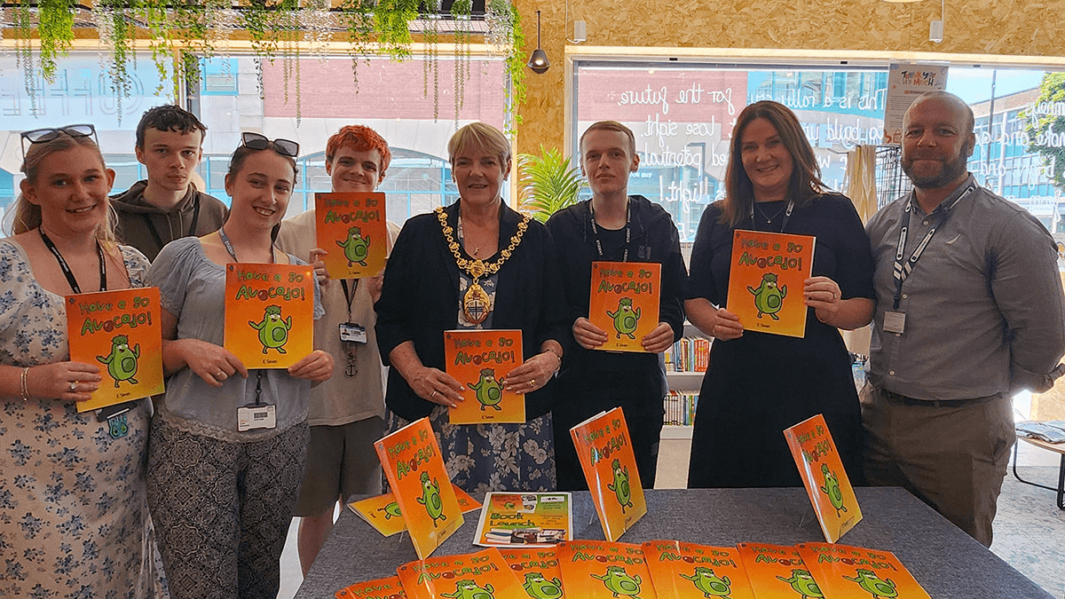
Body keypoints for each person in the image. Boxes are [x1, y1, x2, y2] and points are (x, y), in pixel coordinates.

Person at [863, 91, 1065, 547]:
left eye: (944, 131)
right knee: (873, 553)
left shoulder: (1009, 229)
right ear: (901, 143)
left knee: (954, 562)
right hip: (878, 420)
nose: (926, 142)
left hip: (961, 431)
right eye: (915, 131)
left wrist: (981, 390)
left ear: (970, 144)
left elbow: (1046, 339)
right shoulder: (884, 223)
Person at [146, 132, 333, 598]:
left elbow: (301, 351)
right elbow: (142, 355)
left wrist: (319, 362)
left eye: (282, 187)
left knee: (260, 578)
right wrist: (186, 349)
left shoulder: (295, 272)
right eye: (257, 182)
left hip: (281, 442)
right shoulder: (184, 256)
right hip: (194, 444)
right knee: (201, 582)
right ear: (229, 183)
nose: (269, 198)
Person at [0, 125, 161, 597]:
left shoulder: (133, 266)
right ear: (31, 190)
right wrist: (32, 380)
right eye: (60, 182)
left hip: (125, 482)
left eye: (91, 178)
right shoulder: (7, 265)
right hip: (34, 488)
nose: (80, 193)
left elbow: (154, 355)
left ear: (109, 179)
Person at [684, 101, 875, 490]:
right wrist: (711, 322)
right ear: (738, 157)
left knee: (815, 504)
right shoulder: (718, 216)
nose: (762, 156)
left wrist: (834, 310)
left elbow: (866, 305)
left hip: (813, 384)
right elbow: (694, 298)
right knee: (727, 503)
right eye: (749, 147)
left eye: (774, 143)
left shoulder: (834, 211)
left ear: (795, 146)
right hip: (735, 384)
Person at [375, 122, 569, 494]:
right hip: (428, 413)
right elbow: (391, 321)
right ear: (452, 168)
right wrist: (415, 374)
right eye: (464, 162)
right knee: (426, 535)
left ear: (506, 167)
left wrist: (550, 360)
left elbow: (557, 322)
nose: (475, 172)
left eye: (488, 162)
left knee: (513, 534)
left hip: (515, 422)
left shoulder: (536, 238)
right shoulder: (419, 234)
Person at [275, 125, 401, 575]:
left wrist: (387, 296)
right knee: (315, 511)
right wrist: (302, 289)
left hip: (371, 395)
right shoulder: (290, 234)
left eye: (369, 165)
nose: (357, 171)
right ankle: (317, 588)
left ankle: (357, 585)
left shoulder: (393, 235)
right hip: (314, 400)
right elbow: (274, 321)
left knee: (364, 509)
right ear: (328, 167)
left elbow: (405, 323)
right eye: (346, 161)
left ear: (381, 176)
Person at [546, 120, 687, 490]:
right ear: (582, 166)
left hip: (639, 386)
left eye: (615, 154)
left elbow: (675, 300)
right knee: (576, 491)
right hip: (577, 384)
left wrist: (669, 328)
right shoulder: (561, 228)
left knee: (633, 492)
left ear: (635, 162)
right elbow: (548, 304)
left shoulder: (658, 225)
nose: (604, 163)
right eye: (593, 155)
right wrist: (573, 320)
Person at [113, 104, 228, 260]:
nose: (177, 163)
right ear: (140, 154)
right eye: (162, 151)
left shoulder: (216, 213)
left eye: (188, 152)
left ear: (199, 156)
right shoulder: (112, 216)